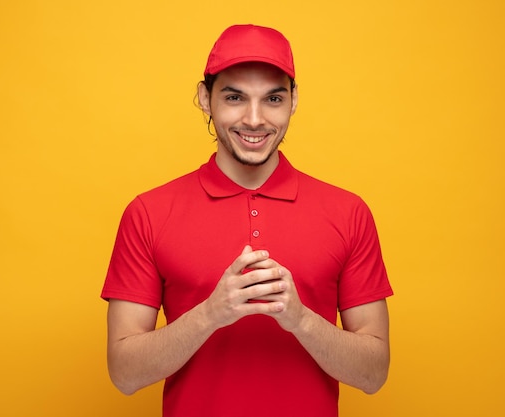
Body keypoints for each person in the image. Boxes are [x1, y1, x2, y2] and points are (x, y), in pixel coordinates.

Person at [101, 24, 393, 417]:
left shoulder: (348, 212)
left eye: (272, 98)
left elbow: (373, 375)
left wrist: (300, 319)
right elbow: (124, 374)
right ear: (205, 98)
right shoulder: (149, 213)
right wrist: (210, 314)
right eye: (235, 97)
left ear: (293, 101)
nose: (254, 119)